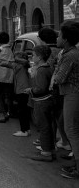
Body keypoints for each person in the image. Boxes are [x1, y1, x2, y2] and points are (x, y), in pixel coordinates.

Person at [52, 22, 79, 179]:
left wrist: (56, 70)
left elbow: (60, 78)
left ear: (66, 39)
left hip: (73, 93)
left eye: (59, 35)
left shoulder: (70, 55)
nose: (57, 38)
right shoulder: (69, 52)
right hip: (71, 93)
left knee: (71, 130)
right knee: (71, 128)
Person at [23, 45, 54, 162]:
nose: (32, 57)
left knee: (43, 126)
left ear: (40, 57)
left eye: (34, 55)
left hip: (42, 101)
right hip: (46, 100)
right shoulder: (47, 67)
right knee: (47, 126)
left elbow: (40, 88)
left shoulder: (41, 70)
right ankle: (49, 149)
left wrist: (30, 90)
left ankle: (46, 152)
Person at [1, 51, 31, 137]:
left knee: (22, 111)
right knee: (24, 111)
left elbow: (8, 64)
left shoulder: (20, 65)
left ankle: (24, 130)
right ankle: (26, 129)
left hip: (22, 90)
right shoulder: (21, 66)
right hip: (23, 89)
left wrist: (13, 59)